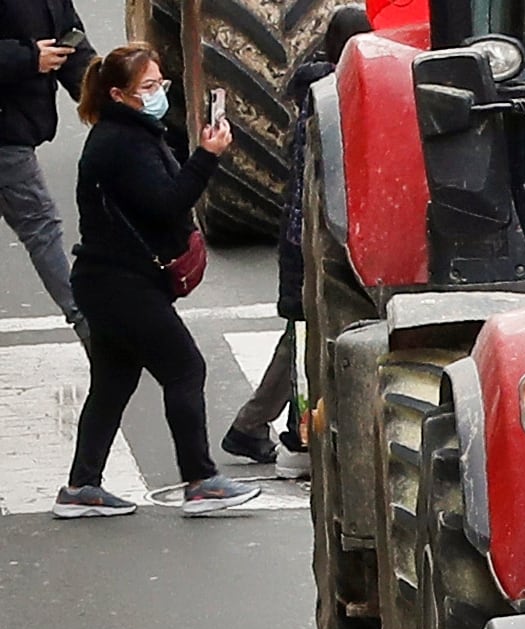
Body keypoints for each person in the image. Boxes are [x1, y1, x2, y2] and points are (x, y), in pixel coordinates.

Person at [55, 42, 258, 517]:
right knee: (185, 368)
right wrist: (207, 156)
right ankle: (201, 480)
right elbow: (168, 202)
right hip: (121, 284)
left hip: (108, 282)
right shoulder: (121, 143)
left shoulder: (133, 133)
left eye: (160, 84)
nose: (158, 94)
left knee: (112, 383)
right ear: (119, 94)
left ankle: (82, 487)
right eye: (148, 87)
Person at [222, 2, 369, 467]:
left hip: (300, 237)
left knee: (301, 331)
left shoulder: (313, 94)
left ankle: (269, 426)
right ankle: (263, 425)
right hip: (316, 239)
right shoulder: (334, 100)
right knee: (307, 333)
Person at [0, 0, 93, 333]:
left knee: (41, 228)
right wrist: (28, 58)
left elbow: (71, 43)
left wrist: (105, 95)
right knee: (41, 228)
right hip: (7, 135)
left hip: (16, 129)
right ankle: (88, 324)